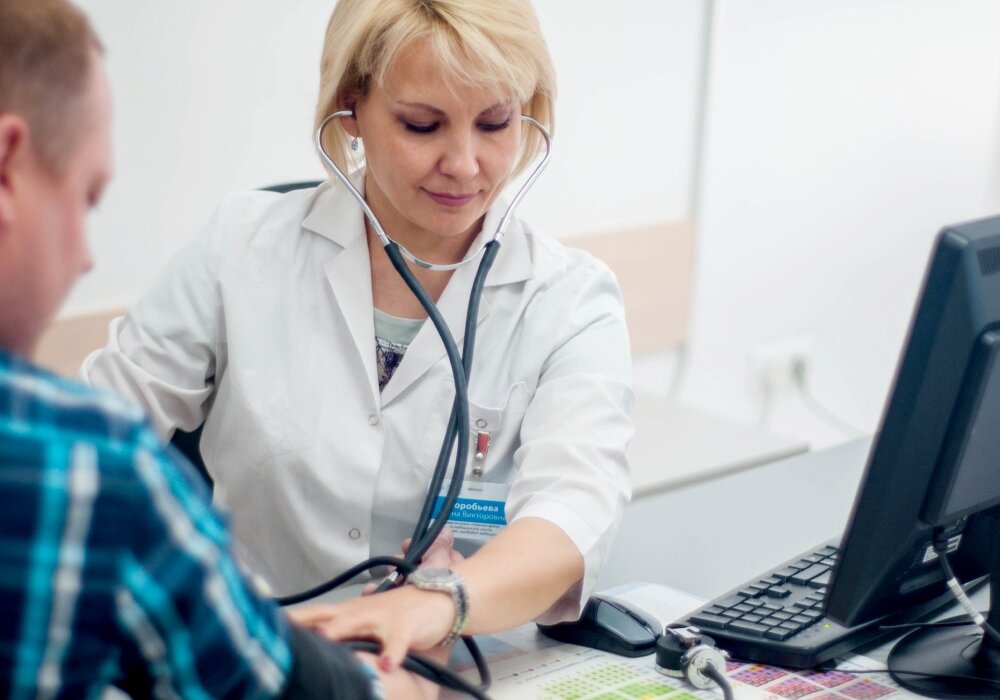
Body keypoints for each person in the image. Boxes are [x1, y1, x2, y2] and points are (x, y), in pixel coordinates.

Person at [82, 0, 634, 669]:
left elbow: (573, 511)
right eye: (422, 125)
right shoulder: (240, 249)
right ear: (351, 109)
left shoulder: (569, 299)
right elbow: (93, 442)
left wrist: (439, 602)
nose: (464, 164)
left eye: (495, 123)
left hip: (456, 661)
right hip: (252, 654)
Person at [0, 0, 440, 696]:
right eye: (86, 197)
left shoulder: (562, 290)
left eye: (496, 122)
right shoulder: (85, 468)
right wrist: (405, 671)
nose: (86, 256)